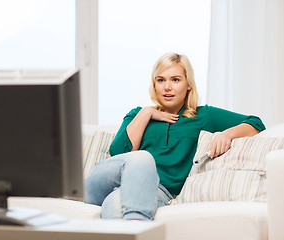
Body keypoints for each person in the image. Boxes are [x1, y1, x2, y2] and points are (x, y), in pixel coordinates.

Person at [84, 53, 265, 221]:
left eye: (175, 80)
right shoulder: (137, 114)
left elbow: (255, 123)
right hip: (105, 180)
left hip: (157, 190)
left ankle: (134, 225)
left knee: (114, 207)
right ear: (154, 85)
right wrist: (147, 114)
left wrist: (227, 134)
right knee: (142, 158)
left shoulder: (203, 115)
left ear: (188, 85)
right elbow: (118, 153)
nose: (167, 87)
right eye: (160, 80)